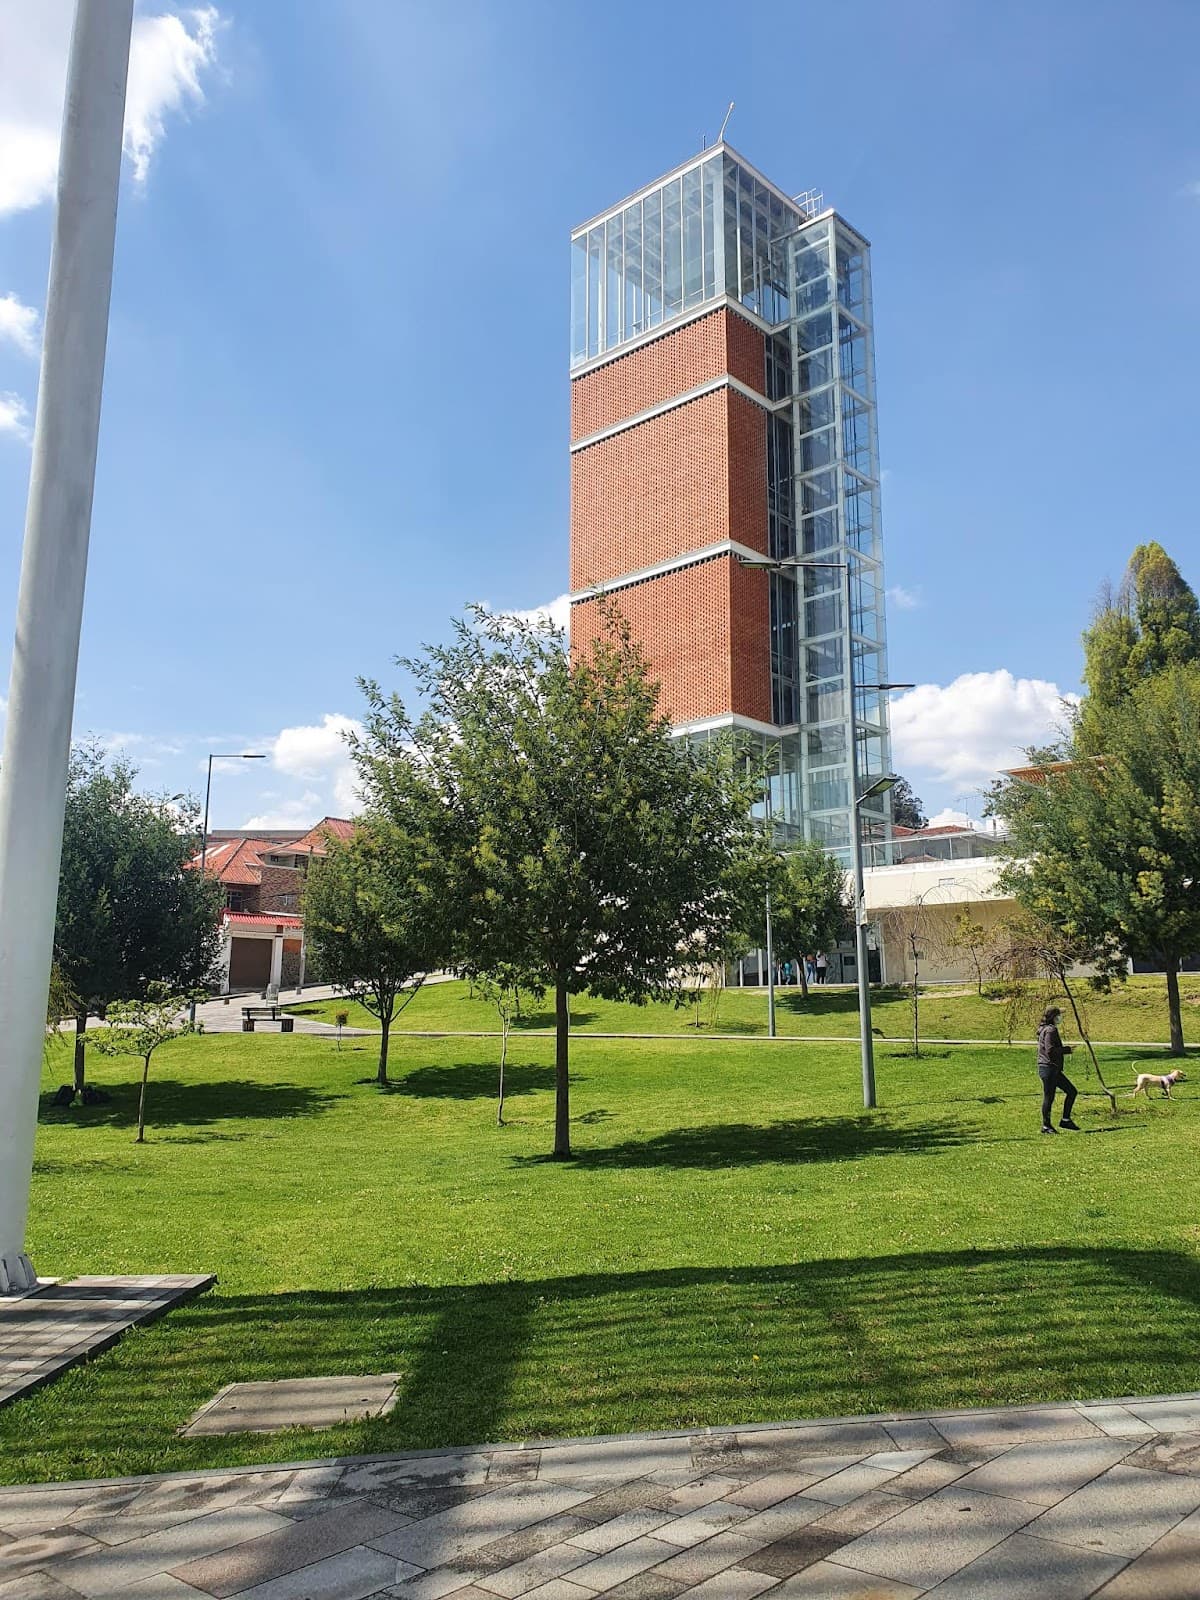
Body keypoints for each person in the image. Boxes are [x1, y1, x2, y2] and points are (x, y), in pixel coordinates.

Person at [1037, 1005, 1079, 1134]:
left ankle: (1065, 1120)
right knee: (1049, 1097)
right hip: (1049, 1068)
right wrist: (1067, 1050)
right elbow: (1050, 1050)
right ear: (1054, 1017)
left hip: (1050, 1069)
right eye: (1059, 1015)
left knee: (1071, 1091)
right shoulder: (1050, 1030)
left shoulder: (1045, 1029)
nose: (1061, 1017)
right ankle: (1046, 1126)